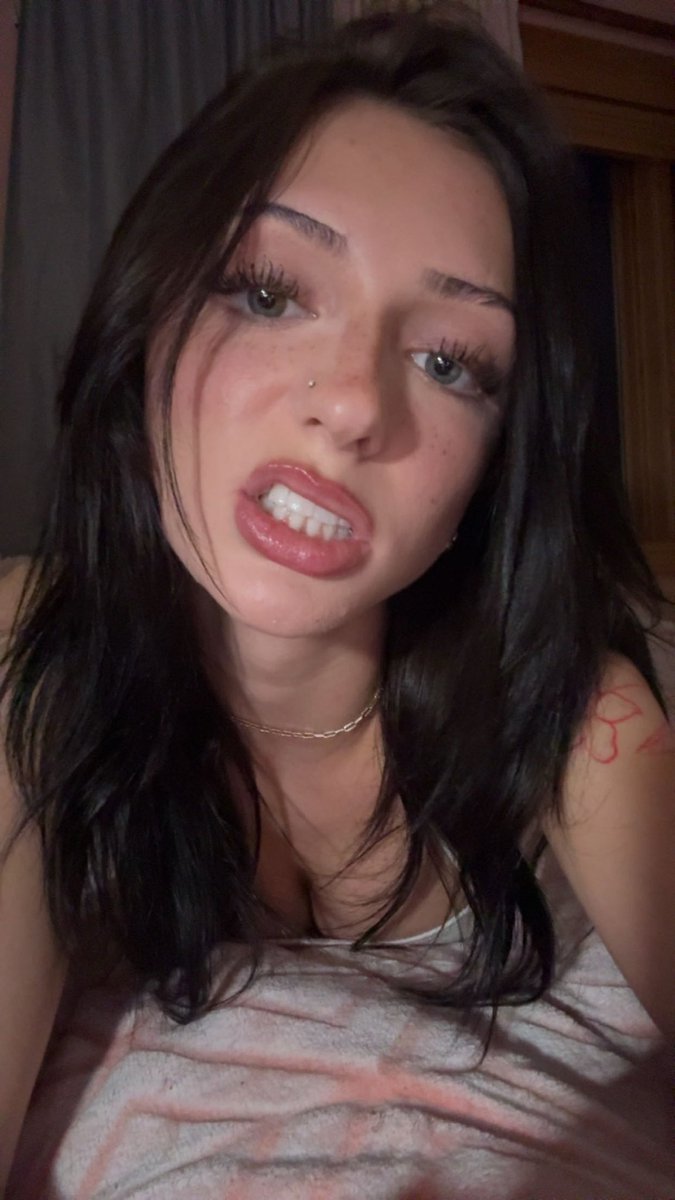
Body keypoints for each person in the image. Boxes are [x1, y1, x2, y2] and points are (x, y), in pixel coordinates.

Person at [1, 8, 673, 1197]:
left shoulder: (575, 705)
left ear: (495, 464)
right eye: (269, 292)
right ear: (149, 319)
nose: (356, 403)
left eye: (450, 362)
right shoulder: (30, 649)